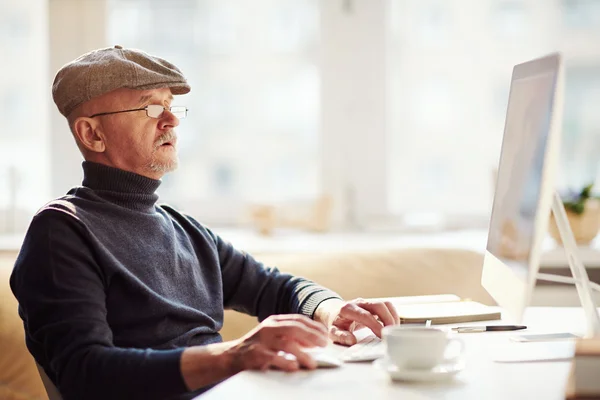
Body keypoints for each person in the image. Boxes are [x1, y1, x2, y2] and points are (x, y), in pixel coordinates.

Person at [10, 46, 400, 400]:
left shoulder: (183, 228)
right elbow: (86, 374)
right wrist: (233, 356)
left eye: (170, 106)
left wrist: (334, 309)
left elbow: (275, 287)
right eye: (149, 107)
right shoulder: (61, 231)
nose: (170, 121)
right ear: (92, 134)